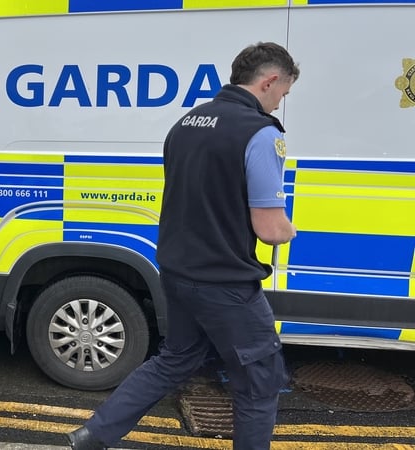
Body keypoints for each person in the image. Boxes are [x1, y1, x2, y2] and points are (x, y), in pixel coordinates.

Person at [67, 42, 299, 450]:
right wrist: (289, 230)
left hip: (178, 272)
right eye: (283, 94)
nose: (280, 104)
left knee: (175, 360)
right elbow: (269, 228)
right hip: (225, 281)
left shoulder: (188, 122)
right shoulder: (260, 133)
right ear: (270, 80)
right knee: (260, 381)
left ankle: (94, 434)